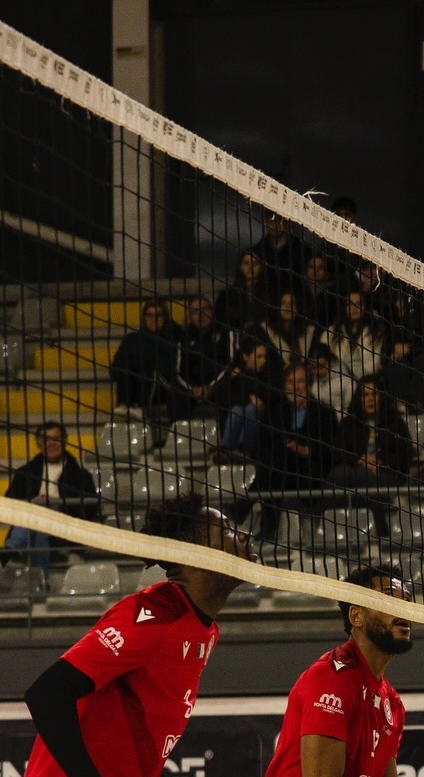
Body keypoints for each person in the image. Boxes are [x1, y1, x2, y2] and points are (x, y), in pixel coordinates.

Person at [23, 494, 253, 777]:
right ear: (195, 555)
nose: (243, 535)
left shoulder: (205, 628)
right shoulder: (153, 615)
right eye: (228, 529)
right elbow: (47, 693)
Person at [265, 564, 411, 777]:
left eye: (407, 600)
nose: (405, 609)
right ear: (356, 616)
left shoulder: (393, 704)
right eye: (389, 598)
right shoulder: (331, 678)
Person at [245, 363, 341, 541]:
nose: (295, 387)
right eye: (290, 382)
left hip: (310, 473)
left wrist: (307, 451)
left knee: (274, 467)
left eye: (300, 382)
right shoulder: (274, 412)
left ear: (310, 385)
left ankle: (246, 508)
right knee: (273, 462)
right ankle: (266, 522)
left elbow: (332, 451)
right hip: (279, 472)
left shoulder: (324, 412)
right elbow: (260, 446)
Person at [3, 422, 98, 574]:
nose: (51, 443)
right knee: (41, 527)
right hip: (35, 528)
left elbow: (91, 510)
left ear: (65, 440)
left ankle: (11, 549)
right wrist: (35, 501)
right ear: (39, 444)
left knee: (43, 509)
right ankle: (42, 585)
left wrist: (56, 504)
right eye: (46, 440)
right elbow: (10, 503)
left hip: (64, 531)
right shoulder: (24, 473)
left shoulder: (82, 476)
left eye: (55, 439)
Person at [327, 375, 414, 538]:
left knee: (359, 476)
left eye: (373, 394)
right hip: (355, 471)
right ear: (359, 399)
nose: (370, 399)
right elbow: (337, 452)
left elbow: (405, 454)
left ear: (381, 397)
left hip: (386, 473)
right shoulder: (349, 422)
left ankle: (379, 529)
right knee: (339, 475)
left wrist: (380, 462)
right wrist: (361, 459)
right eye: (365, 395)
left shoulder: (395, 422)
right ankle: (333, 530)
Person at [109, 299, 181, 416]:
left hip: (163, 388)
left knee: (147, 367)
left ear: (165, 318)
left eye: (159, 315)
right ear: (144, 318)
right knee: (127, 366)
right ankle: (124, 405)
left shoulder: (174, 340)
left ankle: (141, 408)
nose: (154, 319)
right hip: (134, 386)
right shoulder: (132, 339)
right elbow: (115, 368)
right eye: (150, 315)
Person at [213, 337, 272, 463]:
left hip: (263, 424)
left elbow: (266, 396)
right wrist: (248, 397)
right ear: (246, 356)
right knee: (237, 409)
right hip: (235, 418)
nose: (264, 361)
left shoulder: (268, 376)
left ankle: (244, 449)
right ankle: (226, 449)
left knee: (251, 409)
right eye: (259, 357)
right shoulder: (233, 376)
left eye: (264, 357)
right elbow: (223, 397)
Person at [176, 296, 232, 415]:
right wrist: (193, 388)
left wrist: (211, 387)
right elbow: (179, 370)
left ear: (212, 311)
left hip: (219, 386)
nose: (200, 315)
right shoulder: (183, 337)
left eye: (205, 309)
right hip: (192, 389)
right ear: (189, 316)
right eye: (195, 311)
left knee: (230, 393)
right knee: (175, 397)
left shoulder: (225, 333)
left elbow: (229, 364)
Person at [252, 211, 312, 293]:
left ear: (286, 222)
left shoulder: (302, 250)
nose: (274, 225)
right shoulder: (258, 251)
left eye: (278, 220)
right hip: (266, 297)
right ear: (266, 222)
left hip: (295, 298)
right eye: (271, 221)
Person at [214, 250, 271, 335]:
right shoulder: (226, 296)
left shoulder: (270, 294)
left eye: (255, 263)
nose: (250, 267)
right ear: (241, 267)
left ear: (261, 267)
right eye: (246, 263)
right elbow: (220, 322)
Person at [262, 291, 320, 370]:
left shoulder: (309, 331)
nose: (288, 307)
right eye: (283, 303)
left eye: (292, 304)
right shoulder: (265, 330)